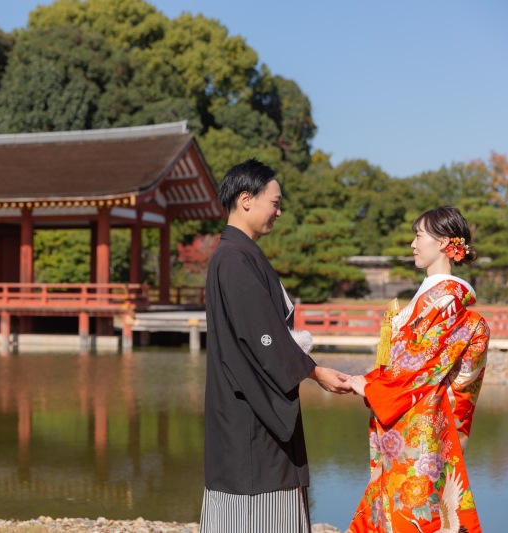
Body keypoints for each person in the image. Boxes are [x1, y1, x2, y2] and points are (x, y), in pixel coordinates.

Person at [200, 158, 351, 533]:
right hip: (249, 407)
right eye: (275, 202)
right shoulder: (234, 259)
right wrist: (314, 372)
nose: (279, 212)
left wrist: (305, 367)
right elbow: (262, 337)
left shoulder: (238, 254)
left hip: (247, 401)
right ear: (246, 199)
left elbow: (266, 334)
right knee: (259, 502)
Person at [347, 206, 490, 533]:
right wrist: (367, 381)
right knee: (393, 510)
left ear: (442, 243)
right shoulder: (430, 297)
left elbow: (420, 363)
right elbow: (406, 360)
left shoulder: (447, 300)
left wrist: (368, 386)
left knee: (414, 514)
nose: (413, 243)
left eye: (419, 235)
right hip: (405, 421)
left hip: (420, 428)